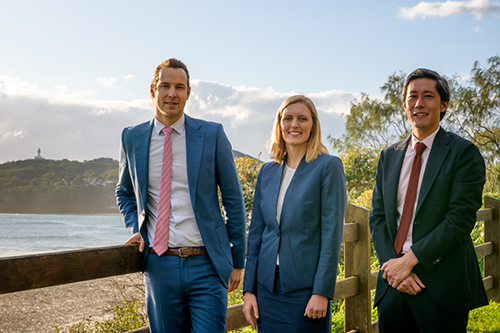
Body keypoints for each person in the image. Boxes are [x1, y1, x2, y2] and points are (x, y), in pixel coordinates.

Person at [115, 58, 246, 333]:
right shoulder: (132, 138)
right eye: (165, 86)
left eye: (179, 87)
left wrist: (237, 261)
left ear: (188, 92)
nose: (172, 93)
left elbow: (234, 200)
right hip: (159, 265)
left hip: (207, 264)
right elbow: (124, 192)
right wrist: (135, 227)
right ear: (153, 89)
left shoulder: (212, 134)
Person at [369, 68, 488, 332]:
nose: (419, 104)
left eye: (428, 96)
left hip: (441, 285)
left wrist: (409, 261)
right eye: (412, 96)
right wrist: (394, 268)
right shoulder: (388, 156)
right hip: (393, 285)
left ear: (444, 104)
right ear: (404, 104)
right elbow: (377, 217)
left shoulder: (463, 153)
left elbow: (460, 219)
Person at [242, 95, 347, 332]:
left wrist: (321, 291)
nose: (294, 125)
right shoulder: (267, 171)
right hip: (266, 290)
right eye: (287, 118)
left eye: (302, 118)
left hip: (305, 292)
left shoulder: (328, 167)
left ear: (313, 125)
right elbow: (256, 234)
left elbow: (332, 235)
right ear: (279, 125)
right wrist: (249, 290)